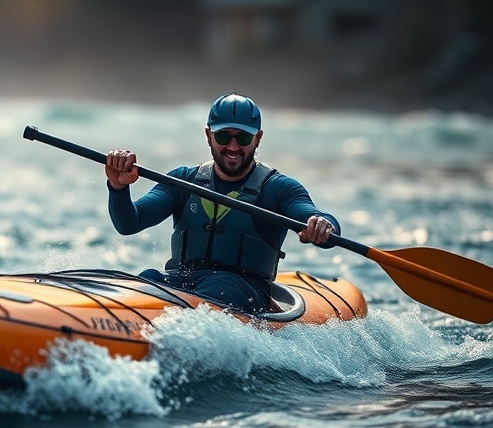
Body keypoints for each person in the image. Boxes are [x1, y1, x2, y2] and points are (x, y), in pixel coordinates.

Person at [104, 93, 340, 314]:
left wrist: (321, 224)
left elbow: (314, 216)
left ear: (258, 138)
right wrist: (118, 188)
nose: (233, 147)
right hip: (182, 281)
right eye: (224, 136)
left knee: (219, 288)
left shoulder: (279, 188)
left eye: (244, 137)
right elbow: (129, 224)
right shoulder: (183, 180)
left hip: (244, 290)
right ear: (209, 136)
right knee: (147, 278)